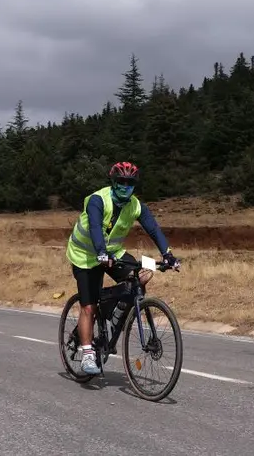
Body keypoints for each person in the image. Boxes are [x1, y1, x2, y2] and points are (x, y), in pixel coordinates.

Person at [65, 161, 180, 375]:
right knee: (88, 306)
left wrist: (168, 255)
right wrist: (100, 252)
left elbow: (153, 229)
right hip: (85, 255)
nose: (125, 186)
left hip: (112, 252)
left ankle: (112, 312)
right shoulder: (98, 200)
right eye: (121, 182)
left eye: (130, 183)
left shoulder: (135, 205)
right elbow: (96, 228)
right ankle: (88, 352)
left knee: (142, 276)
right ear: (113, 181)